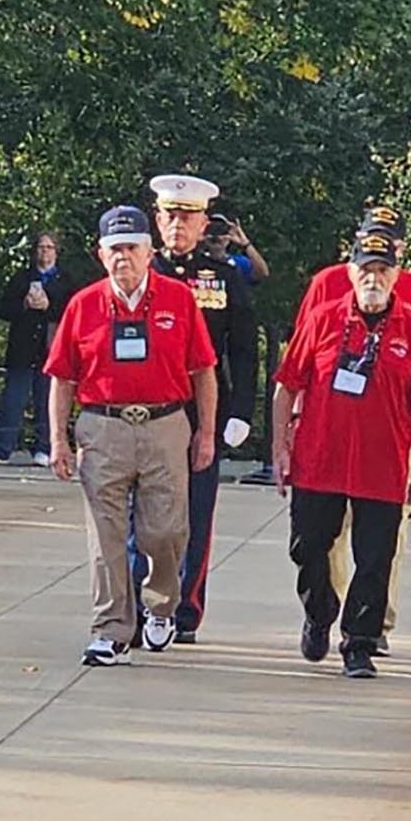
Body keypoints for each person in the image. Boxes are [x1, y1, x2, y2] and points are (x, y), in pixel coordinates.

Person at [44, 206, 218, 666]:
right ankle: (110, 628)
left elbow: (204, 371)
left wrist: (206, 434)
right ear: (102, 256)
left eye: (132, 248)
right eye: (115, 249)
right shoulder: (84, 305)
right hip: (103, 427)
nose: (124, 258)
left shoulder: (179, 300)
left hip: (165, 425)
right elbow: (61, 377)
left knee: (165, 530)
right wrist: (59, 440)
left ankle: (160, 606)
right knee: (105, 535)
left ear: (149, 252)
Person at [271, 230, 411, 679]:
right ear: (350, 272)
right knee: (307, 547)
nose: (373, 278)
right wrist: (279, 446)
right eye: (365, 269)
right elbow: (287, 384)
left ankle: (359, 643)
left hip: (382, 464)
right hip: (320, 459)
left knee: (375, 559)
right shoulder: (323, 318)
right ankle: (320, 611)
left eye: (382, 270)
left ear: (395, 275)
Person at [147, 173, 257, 644]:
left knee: (195, 513)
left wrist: (240, 412)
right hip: (148, 407)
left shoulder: (224, 277)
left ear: (202, 222)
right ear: (156, 219)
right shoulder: (139, 269)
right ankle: (142, 600)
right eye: (170, 215)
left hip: (200, 412)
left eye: (187, 217)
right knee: (144, 515)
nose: (178, 225)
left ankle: (186, 608)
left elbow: (245, 348)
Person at [0, 232, 76, 467]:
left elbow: (73, 312)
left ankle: (44, 447)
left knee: (45, 401)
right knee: (13, 400)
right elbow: (2, 308)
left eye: (49, 247)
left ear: (56, 251)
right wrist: (24, 304)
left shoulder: (66, 280)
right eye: (41, 247)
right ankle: (2, 449)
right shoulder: (21, 278)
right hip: (21, 350)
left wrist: (50, 306)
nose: (45, 252)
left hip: (49, 349)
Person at [207, 213, 269, 283]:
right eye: (211, 229)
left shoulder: (238, 263)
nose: (217, 236)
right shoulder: (195, 262)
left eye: (222, 230)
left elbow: (263, 273)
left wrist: (245, 243)